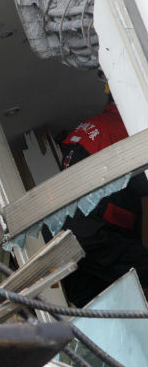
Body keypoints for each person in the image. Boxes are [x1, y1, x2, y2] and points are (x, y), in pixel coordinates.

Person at [60, 74, 148, 307]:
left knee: (92, 303)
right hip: (93, 235)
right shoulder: (129, 128)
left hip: (78, 239)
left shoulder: (92, 128)